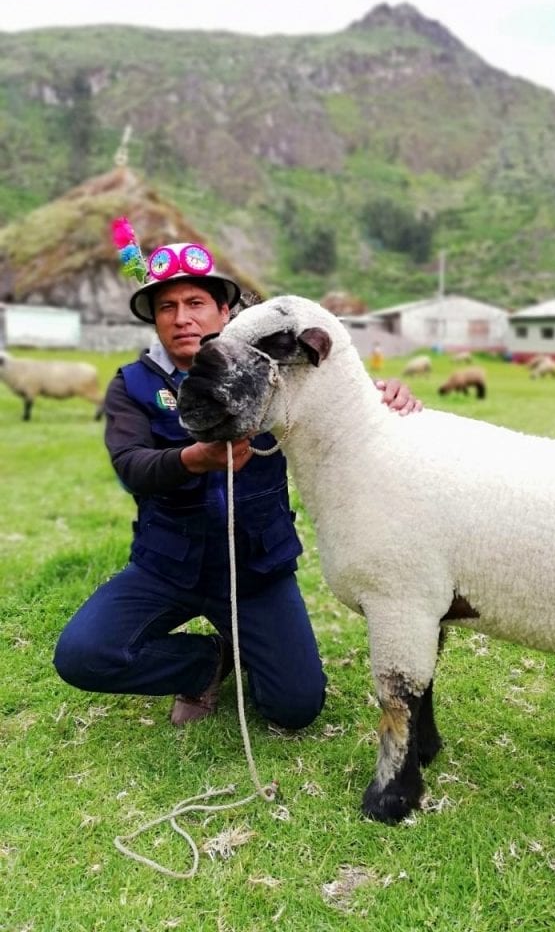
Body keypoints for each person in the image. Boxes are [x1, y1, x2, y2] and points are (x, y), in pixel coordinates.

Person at [53, 240, 421, 730]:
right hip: (166, 567)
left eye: (196, 303)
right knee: (83, 655)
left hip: (255, 570)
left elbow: (342, 403)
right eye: (168, 306)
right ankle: (206, 663)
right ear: (155, 319)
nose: (182, 317)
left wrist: (388, 395)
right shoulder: (132, 385)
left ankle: (246, 640)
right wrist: (194, 459)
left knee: (296, 707)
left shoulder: (273, 372)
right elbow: (131, 465)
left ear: (224, 311)